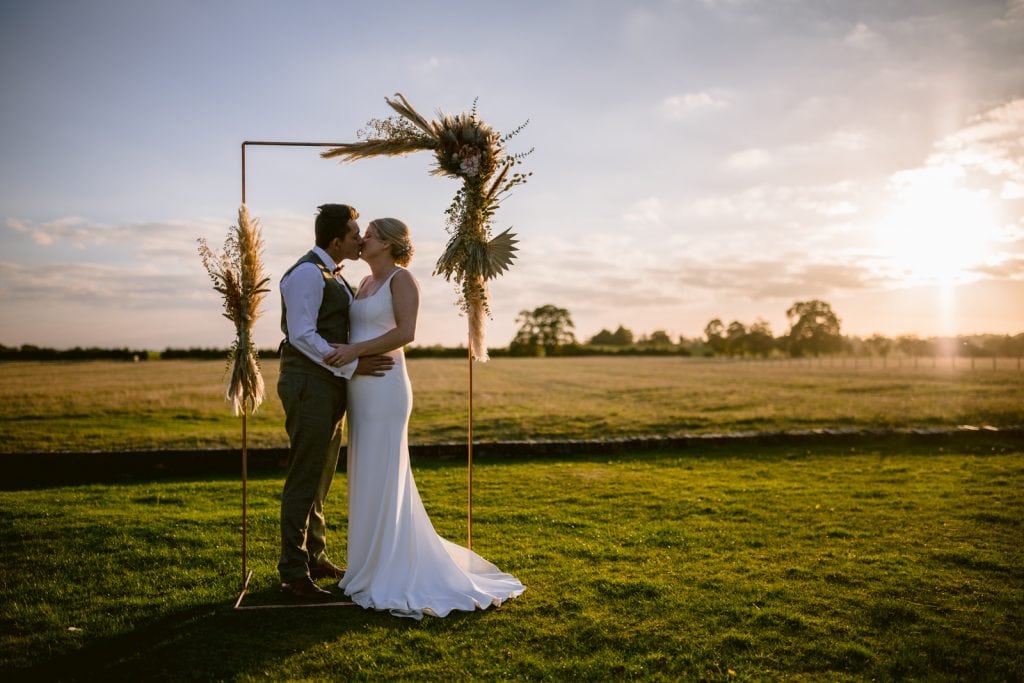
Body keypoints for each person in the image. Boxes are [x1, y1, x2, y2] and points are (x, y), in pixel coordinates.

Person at [323, 217, 525, 619]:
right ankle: (368, 565)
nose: (362, 239)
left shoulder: (402, 280)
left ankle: (393, 568)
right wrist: (351, 357)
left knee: (384, 470)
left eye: (370, 235)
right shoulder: (362, 283)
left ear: (389, 244)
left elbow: (406, 332)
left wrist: (353, 351)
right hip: (360, 387)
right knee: (366, 471)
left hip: (386, 387)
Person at [276, 203, 395, 600]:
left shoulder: (333, 275)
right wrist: (351, 364)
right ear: (335, 240)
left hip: (328, 383)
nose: (361, 239)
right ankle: (293, 572)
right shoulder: (308, 273)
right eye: (355, 233)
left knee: (322, 475)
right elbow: (302, 336)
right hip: (309, 383)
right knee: (305, 474)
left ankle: (315, 556)